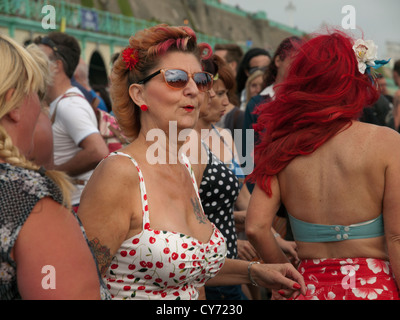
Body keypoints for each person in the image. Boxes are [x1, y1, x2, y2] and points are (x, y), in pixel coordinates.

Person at [77, 24, 306, 300]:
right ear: (139, 95)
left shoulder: (188, 165)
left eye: (200, 80)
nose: (192, 90)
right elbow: (78, 283)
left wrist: (256, 271)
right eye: (174, 78)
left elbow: (190, 267)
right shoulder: (120, 173)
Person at [246, 30, 400, 300]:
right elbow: (397, 238)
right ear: (355, 80)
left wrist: (286, 279)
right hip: (374, 288)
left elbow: (256, 227)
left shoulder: (281, 146)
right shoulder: (387, 143)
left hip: (307, 289)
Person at [0, 34, 110, 300]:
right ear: (14, 105)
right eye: (37, 98)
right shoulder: (31, 199)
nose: (41, 108)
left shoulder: (71, 104)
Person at [34, 32, 109, 211]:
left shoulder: (70, 105)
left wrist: (53, 174)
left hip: (76, 206)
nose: (34, 64)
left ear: (56, 66)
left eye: (39, 59)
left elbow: (98, 151)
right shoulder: (62, 102)